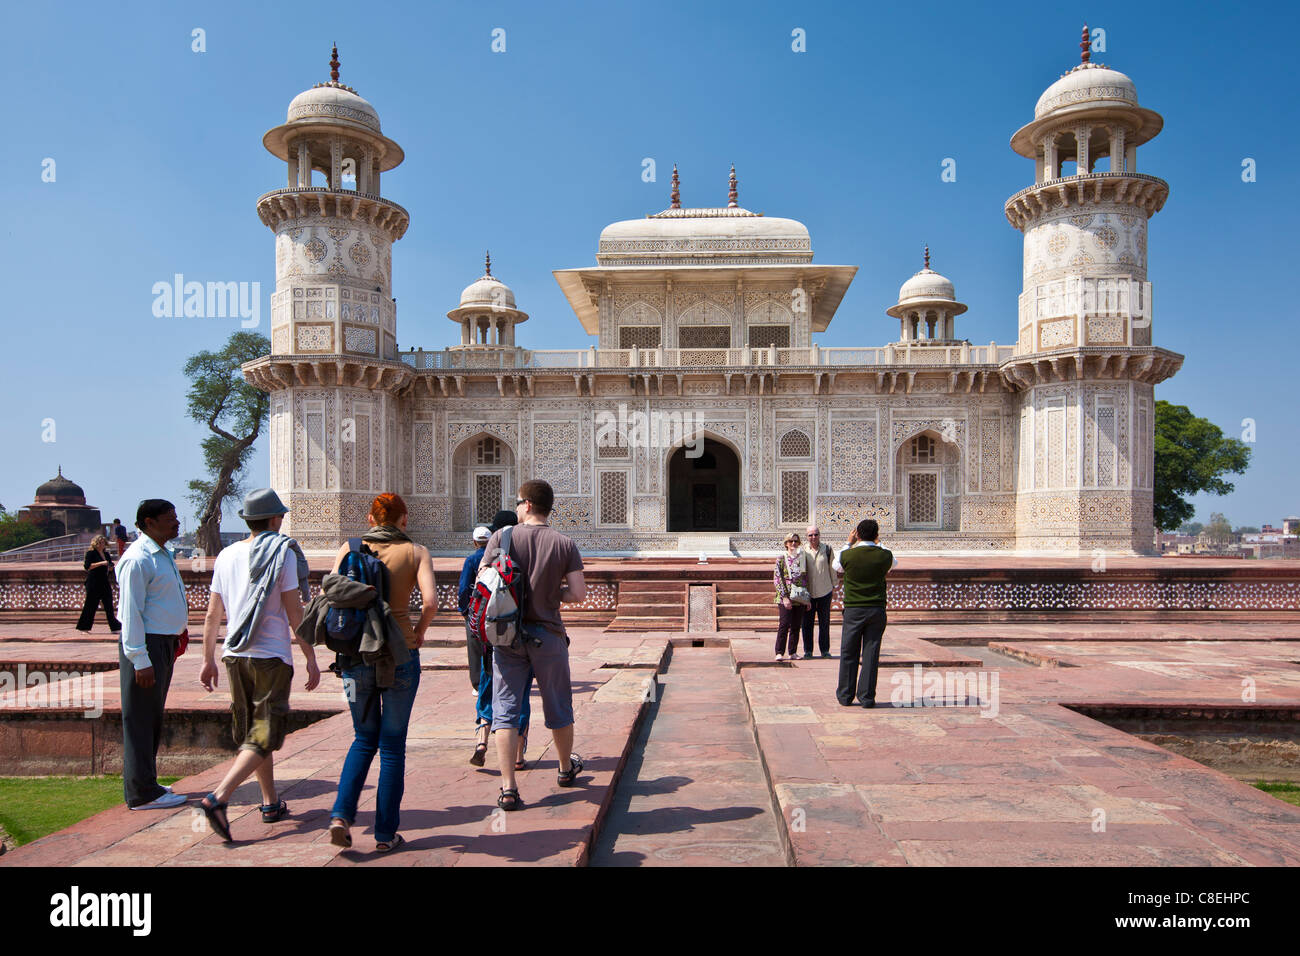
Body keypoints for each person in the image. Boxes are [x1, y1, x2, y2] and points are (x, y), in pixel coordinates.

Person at [197, 489, 318, 842]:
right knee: (266, 732)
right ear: (276, 519)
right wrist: (310, 656)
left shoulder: (226, 555)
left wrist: (208, 660)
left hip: (234, 654)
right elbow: (295, 612)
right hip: (269, 656)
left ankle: (270, 802)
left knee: (253, 732)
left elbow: (212, 615)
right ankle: (217, 797)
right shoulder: (282, 555)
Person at [326, 493, 436, 852]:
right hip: (401, 653)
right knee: (392, 746)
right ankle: (385, 835)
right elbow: (432, 602)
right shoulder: (416, 552)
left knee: (362, 738)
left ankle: (341, 816)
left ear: (371, 519)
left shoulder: (350, 548)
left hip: (357, 656)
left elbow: (329, 593)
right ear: (404, 519)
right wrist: (418, 633)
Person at [481, 479, 585, 811]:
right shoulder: (564, 543)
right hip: (548, 635)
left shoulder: (502, 536)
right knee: (558, 705)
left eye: (517, 502)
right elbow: (579, 594)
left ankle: (508, 787)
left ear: (526, 504)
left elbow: (483, 580)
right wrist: (553, 595)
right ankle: (565, 768)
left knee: (506, 710)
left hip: (506, 635)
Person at [115, 499, 189, 810]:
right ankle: (141, 794)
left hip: (162, 644)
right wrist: (139, 659)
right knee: (140, 719)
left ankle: (147, 781)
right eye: (170, 519)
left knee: (151, 717)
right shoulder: (138, 558)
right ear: (149, 522)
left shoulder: (161, 554)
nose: (176, 523)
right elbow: (130, 613)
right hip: (146, 646)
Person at [462, 512, 532, 769]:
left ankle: (482, 739)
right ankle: (518, 754)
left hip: (491, 632)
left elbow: (470, 594)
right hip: (522, 633)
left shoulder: (483, 557)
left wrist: (470, 621)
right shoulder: (528, 554)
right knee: (520, 692)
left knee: (488, 684)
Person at [832, 518, 897, 708]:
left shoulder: (849, 555)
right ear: (876, 535)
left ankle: (845, 695)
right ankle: (867, 697)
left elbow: (837, 565)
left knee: (849, 652)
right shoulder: (884, 555)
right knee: (871, 653)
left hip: (854, 609)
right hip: (876, 609)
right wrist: (879, 543)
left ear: (857, 535)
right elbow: (893, 562)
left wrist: (848, 543)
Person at [800, 525, 835, 659]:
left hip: (825, 590)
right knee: (807, 623)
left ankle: (825, 650)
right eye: (810, 535)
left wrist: (834, 585)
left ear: (819, 535)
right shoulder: (803, 551)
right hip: (808, 593)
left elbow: (832, 568)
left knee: (824, 622)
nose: (813, 537)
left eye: (815, 534)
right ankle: (808, 650)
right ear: (807, 536)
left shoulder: (827, 549)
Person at [773, 532, 809, 661]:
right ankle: (779, 651)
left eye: (796, 541)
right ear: (786, 543)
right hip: (786, 597)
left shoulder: (802, 558)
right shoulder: (781, 558)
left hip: (799, 597)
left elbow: (805, 578)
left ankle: (792, 651)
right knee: (784, 624)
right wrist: (784, 597)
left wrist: (807, 599)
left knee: (796, 625)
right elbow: (778, 579)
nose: (793, 544)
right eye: (791, 541)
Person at [77, 535, 121, 633]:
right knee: (90, 605)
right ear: (95, 543)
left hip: (104, 581)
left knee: (109, 605)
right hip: (93, 582)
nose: (101, 544)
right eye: (99, 542)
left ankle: (115, 627)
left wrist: (110, 567)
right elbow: (88, 566)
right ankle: (84, 627)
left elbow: (109, 565)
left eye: (103, 542)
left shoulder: (106, 554)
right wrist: (101, 563)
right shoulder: (91, 553)